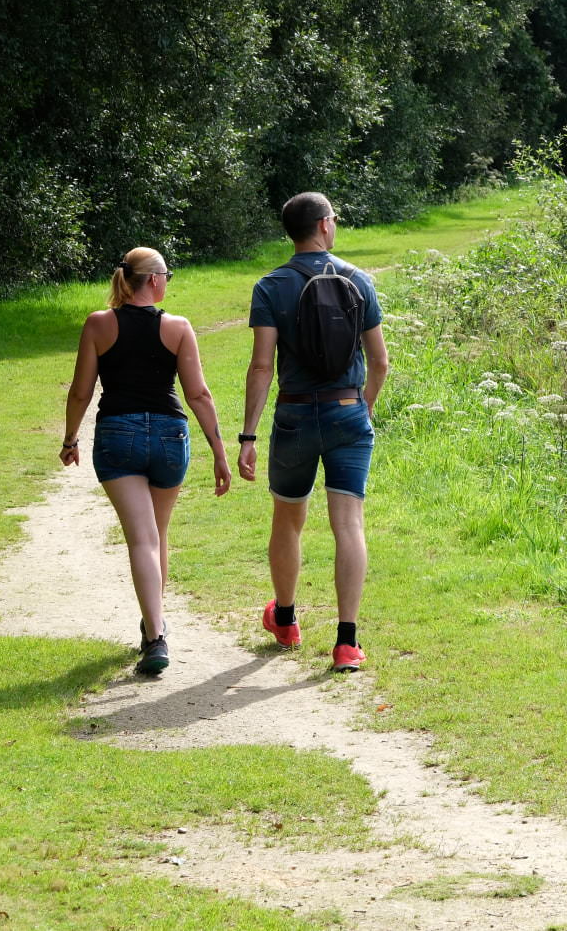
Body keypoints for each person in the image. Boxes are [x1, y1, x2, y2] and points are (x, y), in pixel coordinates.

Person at [232, 192, 389, 672]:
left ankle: (285, 619)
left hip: (294, 415)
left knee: (288, 518)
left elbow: (262, 367)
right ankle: (347, 643)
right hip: (347, 412)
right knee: (349, 524)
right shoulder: (359, 280)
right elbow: (380, 362)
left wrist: (248, 436)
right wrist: (360, 409)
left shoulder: (270, 286)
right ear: (324, 225)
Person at [62, 247, 230, 676]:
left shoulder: (99, 324)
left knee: (143, 538)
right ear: (153, 280)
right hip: (170, 437)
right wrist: (219, 451)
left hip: (119, 435)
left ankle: (155, 635)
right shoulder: (177, 327)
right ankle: (154, 624)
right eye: (167, 275)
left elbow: (81, 390)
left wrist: (70, 438)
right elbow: (199, 395)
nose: (168, 282)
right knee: (157, 534)